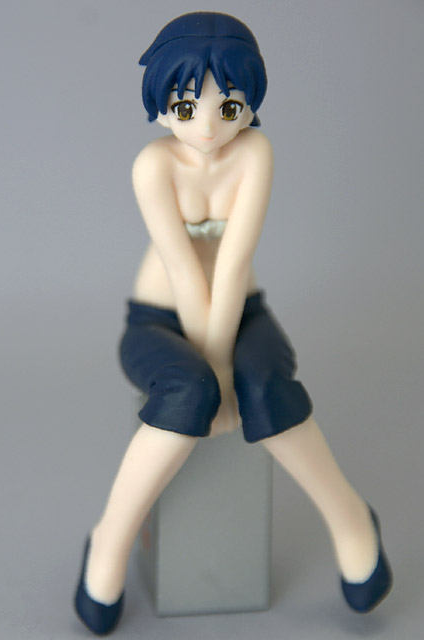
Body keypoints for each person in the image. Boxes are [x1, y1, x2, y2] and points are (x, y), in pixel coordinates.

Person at [74, 12, 392, 635]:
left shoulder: (255, 153)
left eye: (230, 107)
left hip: (244, 311)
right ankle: (108, 540)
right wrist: (212, 371)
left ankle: (354, 521)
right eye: (186, 108)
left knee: (267, 390)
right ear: (161, 106)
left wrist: (224, 362)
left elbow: (235, 259)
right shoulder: (152, 167)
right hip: (158, 322)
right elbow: (182, 267)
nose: (209, 128)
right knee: (188, 392)